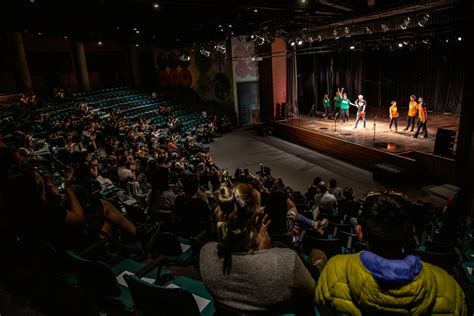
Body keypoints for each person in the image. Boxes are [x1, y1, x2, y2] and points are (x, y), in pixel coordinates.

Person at [315, 192, 466, 315]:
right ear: (411, 232)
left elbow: (323, 309)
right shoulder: (450, 289)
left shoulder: (332, 272)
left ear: (359, 232)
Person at [200, 184, 316, 314]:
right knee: (317, 255)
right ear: (257, 219)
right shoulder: (287, 260)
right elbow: (310, 292)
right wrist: (267, 252)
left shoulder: (206, 253)